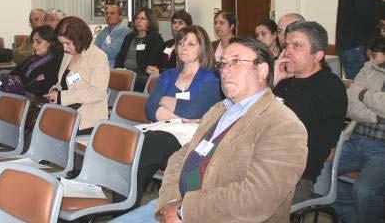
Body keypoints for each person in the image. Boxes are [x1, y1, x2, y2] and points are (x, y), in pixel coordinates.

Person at [113, 37, 308, 223]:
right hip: (176, 205)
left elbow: (257, 199)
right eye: (223, 63)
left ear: (262, 70)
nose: (225, 70)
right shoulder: (220, 109)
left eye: (236, 62)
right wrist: (171, 202)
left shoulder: (283, 125)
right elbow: (180, 157)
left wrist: (184, 210)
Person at [136, 25, 221, 204]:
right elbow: (150, 109)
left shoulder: (211, 77)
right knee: (139, 147)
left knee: (147, 146)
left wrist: (165, 100)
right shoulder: (168, 75)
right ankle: (127, 203)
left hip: (191, 141)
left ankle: (126, 205)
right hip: (165, 130)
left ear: (202, 48)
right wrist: (182, 118)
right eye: (181, 42)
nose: (184, 47)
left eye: (191, 44)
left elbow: (195, 110)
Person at [274, 20, 348, 202]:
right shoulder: (282, 81)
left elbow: (320, 144)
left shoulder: (329, 86)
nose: (288, 51)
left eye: (296, 46)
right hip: (262, 164)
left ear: (318, 55)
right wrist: (272, 81)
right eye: (286, 45)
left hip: (295, 176)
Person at [334, 36, 385, 223]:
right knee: (317, 174)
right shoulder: (368, 68)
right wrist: (376, 115)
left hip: (382, 149)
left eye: (374, 54)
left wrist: (363, 94)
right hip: (355, 140)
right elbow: (349, 105)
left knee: (364, 190)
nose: (370, 57)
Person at [0, 25, 63, 115]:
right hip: (14, 91)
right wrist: (16, 80)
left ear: (50, 43)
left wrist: (21, 82)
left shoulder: (55, 62)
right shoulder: (33, 58)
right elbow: (14, 73)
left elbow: (41, 89)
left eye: (38, 42)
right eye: (33, 42)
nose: (34, 45)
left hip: (28, 99)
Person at [47, 16, 109, 134]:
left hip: (87, 119)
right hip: (66, 112)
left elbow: (97, 93)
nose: (64, 48)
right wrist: (56, 89)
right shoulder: (69, 54)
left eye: (68, 43)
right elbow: (65, 82)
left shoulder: (98, 57)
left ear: (79, 38)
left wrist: (61, 97)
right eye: (62, 44)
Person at [336, 0, 385, 79]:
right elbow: (366, 12)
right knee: (361, 85)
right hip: (357, 46)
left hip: (351, 45)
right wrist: (380, 24)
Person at [114, 7, 164, 91]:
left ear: (150, 21)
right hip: (125, 72)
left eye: (142, 19)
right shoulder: (129, 36)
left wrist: (131, 72)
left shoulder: (155, 39)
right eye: (137, 18)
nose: (138, 21)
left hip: (141, 76)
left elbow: (151, 63)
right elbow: (120, 56)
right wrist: (118, 69)